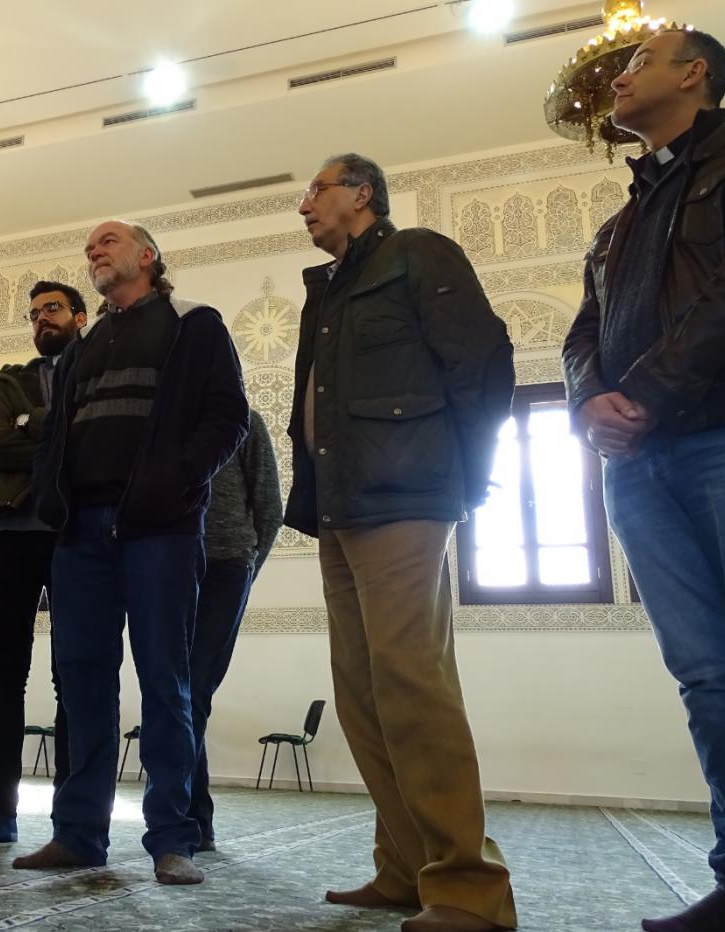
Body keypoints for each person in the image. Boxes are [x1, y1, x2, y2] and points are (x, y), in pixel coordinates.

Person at [563, 28, 725, 932]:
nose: (618, 75)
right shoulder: (619, 222)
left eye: (639, 61)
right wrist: (589, 402)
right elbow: (579, 337)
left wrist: (643, 393)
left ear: (695, 73)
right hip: (639, 467)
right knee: (710, 680)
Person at [287, 154, 517, 932]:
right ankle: (405, 868)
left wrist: (464, 476)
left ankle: (467, 888)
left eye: (316, 189)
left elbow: (483, 363)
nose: (304, 204)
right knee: (362, 696)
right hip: (340, 506)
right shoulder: (328, 291)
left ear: (362, 193)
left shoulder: (418, 254)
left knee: (412, 685)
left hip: (408, 499)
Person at [12, 221, 248, 886]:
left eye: (109, 240)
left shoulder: (193, 323)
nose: (94, 249)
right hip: (79, 535)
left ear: (147, 256)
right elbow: (58, 433)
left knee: (165, 684)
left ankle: (174, 838)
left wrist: (178, 477)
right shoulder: (83, 346)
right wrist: (51, 501)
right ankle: (79, 835)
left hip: (159, 531)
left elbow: (227, 416)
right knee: (81, 685)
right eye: (90, 245)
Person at [0, 282, 87, 847]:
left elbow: (99, 442)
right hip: (11, 532)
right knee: (5, 674)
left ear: (80, 317)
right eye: (33, 314)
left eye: (52, 309)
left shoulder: (97, 372)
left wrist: (29, 425)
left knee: (72, 677)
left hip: (74, 535)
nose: (41, 319)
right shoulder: (8, 380)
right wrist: (53, 429)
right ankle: (1, 814)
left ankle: (70, 816)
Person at [188, 407, 282, 850]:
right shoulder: (164, 416)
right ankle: (188, 817)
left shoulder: (245, 419)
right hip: (173, 564)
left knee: (195, 687)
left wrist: (247, 567)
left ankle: (193, 819)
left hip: (227, 567)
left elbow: (269, 508)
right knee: (177, 691)